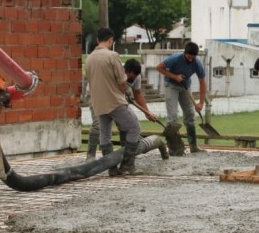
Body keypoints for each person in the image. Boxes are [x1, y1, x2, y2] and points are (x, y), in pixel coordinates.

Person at [85, 28, 142, 175]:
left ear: (98, 40)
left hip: (98, 102)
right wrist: (125, 92)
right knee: (134, 128)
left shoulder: (89, 58)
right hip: (114, 101)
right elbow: (122, 82)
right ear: (111, 40)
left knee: (105, 134)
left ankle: (111, 169)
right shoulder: (112, 56)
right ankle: (127, 165)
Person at [155, 41, 207, 155]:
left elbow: (202, 82)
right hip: (171, 86)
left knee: (190, 115)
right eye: (188, 57)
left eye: (192, 58)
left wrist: (201, 103)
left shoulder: (197, 63)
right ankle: (173, 148)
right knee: (172, 117)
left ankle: (193, 146)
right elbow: (159, 67)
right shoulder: (175, 58)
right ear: (185, 53)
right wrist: (175, 76)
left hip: (185, 87)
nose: (190, 60)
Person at [123, 58, 168, 161]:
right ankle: (91, 155)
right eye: (130, 78)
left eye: (134, 78)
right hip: (104, 99)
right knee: (99, 126)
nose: (132, 80)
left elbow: (137, 93)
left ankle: (126, 156)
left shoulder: (136, 77)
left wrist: (147, 113)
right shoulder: (117, 73)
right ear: (125, 71)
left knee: (130, 126)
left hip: (121, 101)